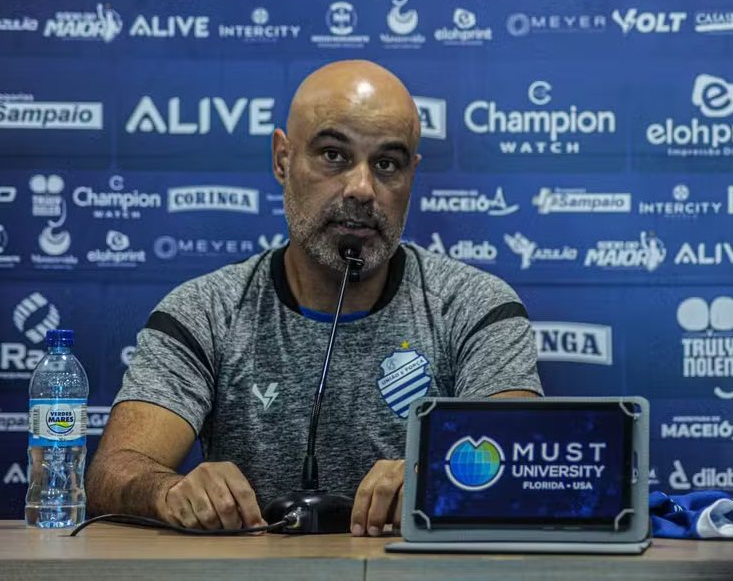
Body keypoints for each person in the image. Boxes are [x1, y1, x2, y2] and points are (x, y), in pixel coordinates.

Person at [85, 60, 543, 537]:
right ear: (282, 159)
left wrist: (432, 478)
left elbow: (523, 462)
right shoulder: (205, 312)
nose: (362, 189)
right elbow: (114, 470)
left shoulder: (474, 307)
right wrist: (168, 491)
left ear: (412, 174)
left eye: (387, 164)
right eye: (333, 155)